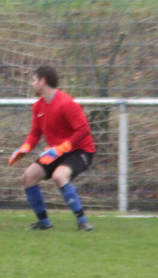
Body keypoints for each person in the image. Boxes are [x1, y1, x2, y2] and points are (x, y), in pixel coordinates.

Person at [8, 65, 95, 231]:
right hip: (56, 152)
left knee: (59, 175)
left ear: (43, 81)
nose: (31, 84)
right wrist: (24, 149)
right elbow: (34, 134)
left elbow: (84, 130)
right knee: (29, 176)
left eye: (33, 80)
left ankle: (82, 221)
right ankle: (44, 223)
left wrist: (63, 147)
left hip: (80, 150)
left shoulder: (66, 103)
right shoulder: (38, 107)